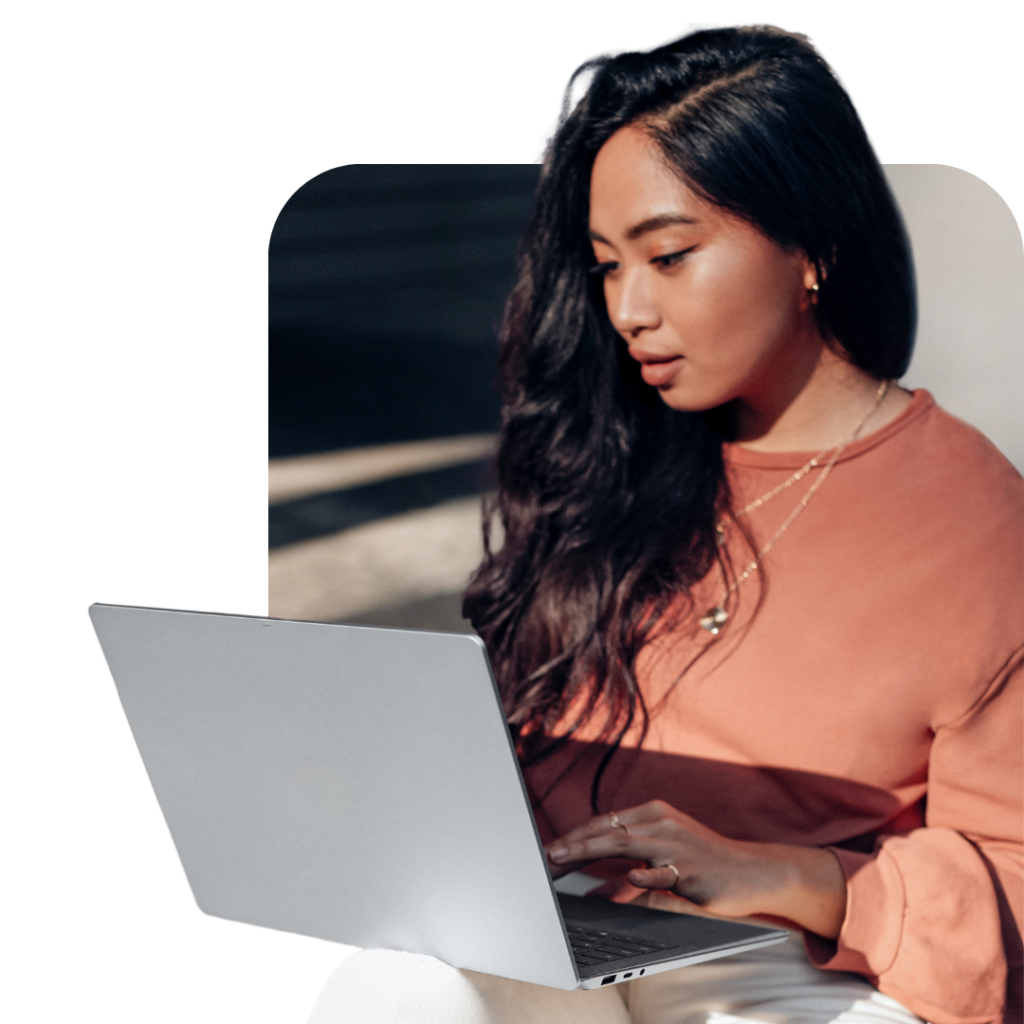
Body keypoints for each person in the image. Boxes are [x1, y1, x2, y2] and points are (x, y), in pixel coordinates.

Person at [307, 23, 1023, 1024]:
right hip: (554, 926)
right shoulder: (607, 458)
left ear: (810, 245)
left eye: (669, 255)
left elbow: (1012, 879)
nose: (627, 309)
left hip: (789, 961)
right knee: (386, 988)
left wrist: (787, 874)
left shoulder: (980, 524)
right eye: (605, 266)